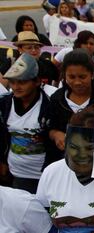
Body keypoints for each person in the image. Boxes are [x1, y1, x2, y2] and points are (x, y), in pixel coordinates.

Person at [0, 53, 54, 194]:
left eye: (22, 82)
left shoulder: (49, 106)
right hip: (15, 174)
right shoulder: (4, 104)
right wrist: (2, 161)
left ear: (36, 82)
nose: (16, 87)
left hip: (44, 175)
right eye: (12, 82)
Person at [46, 49, 94, 160]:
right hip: (61, 161)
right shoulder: (57, 99)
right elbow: (48, 128)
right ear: (64, 75)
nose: (77, 82)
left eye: (82, 77)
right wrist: (56, 134)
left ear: (92, 74)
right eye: (71, 77)